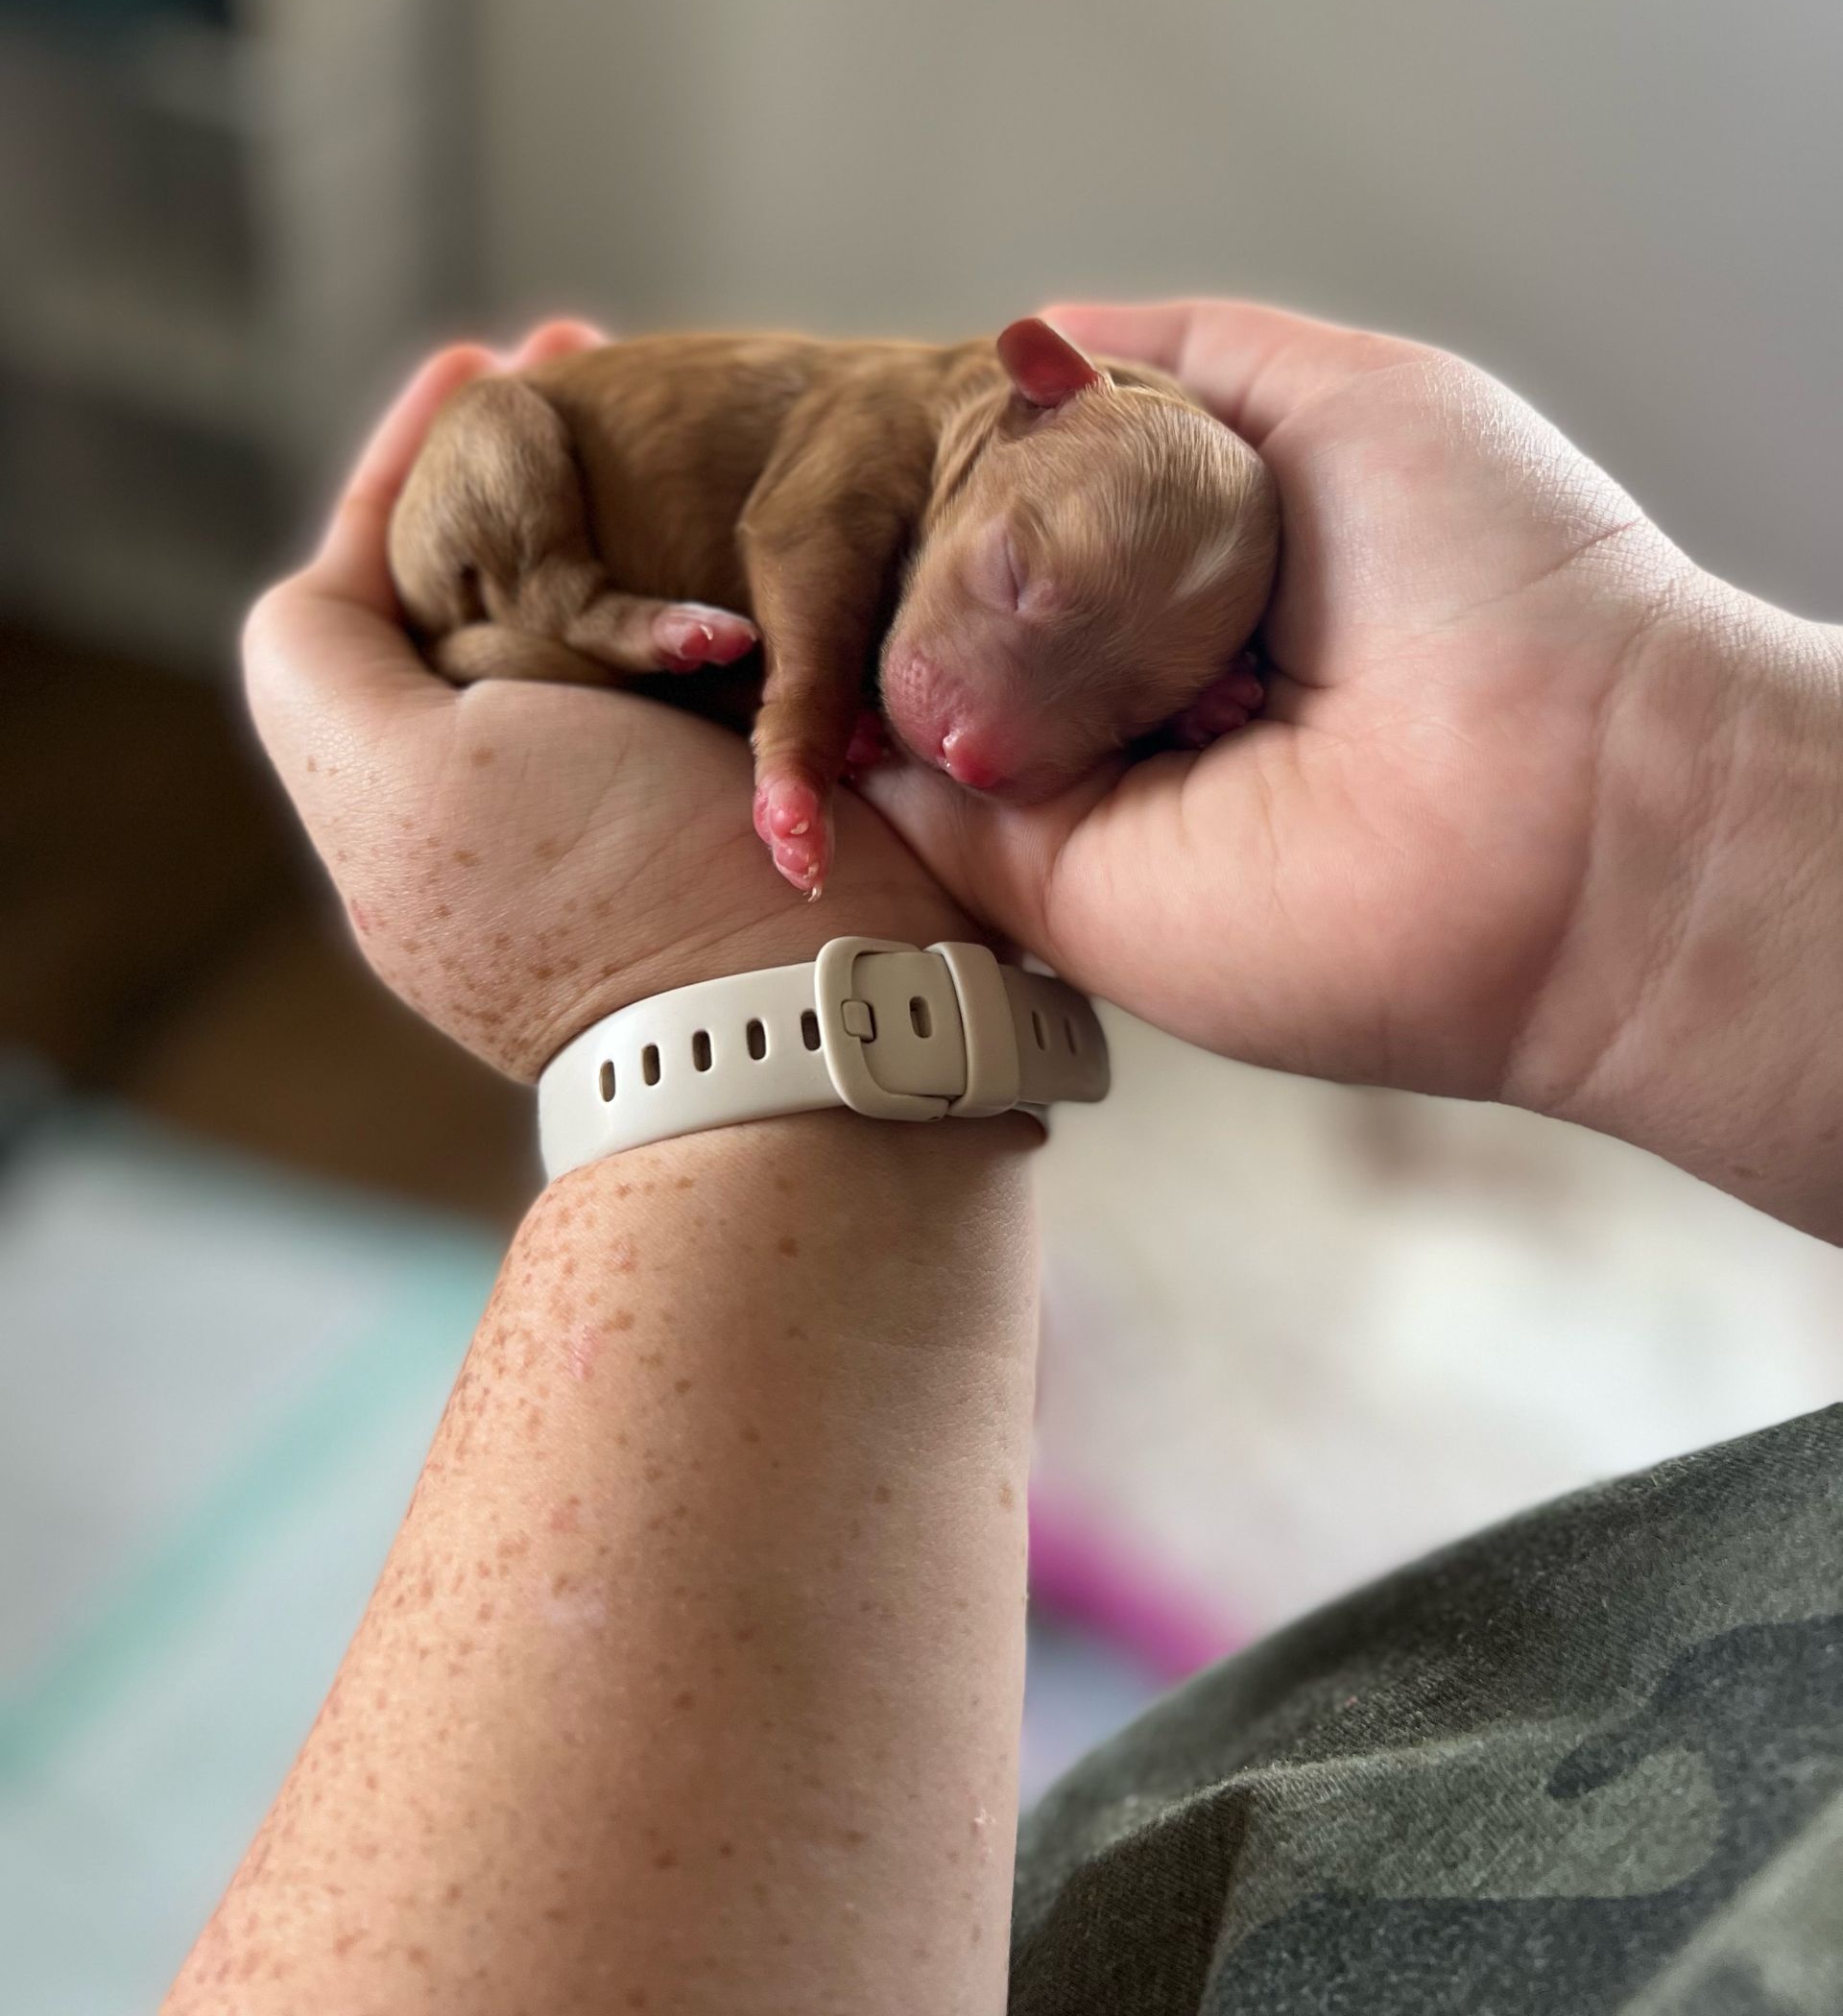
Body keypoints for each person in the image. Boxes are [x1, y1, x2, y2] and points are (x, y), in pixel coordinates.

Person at [165, 301, 1843, 2015]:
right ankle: (589, 616)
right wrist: (1644, 796)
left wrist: (697, 998)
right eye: (1025, 593)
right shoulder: (903, 436)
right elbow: (804, 543)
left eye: (1125, 714)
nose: (981, 752)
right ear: (1029, 391)